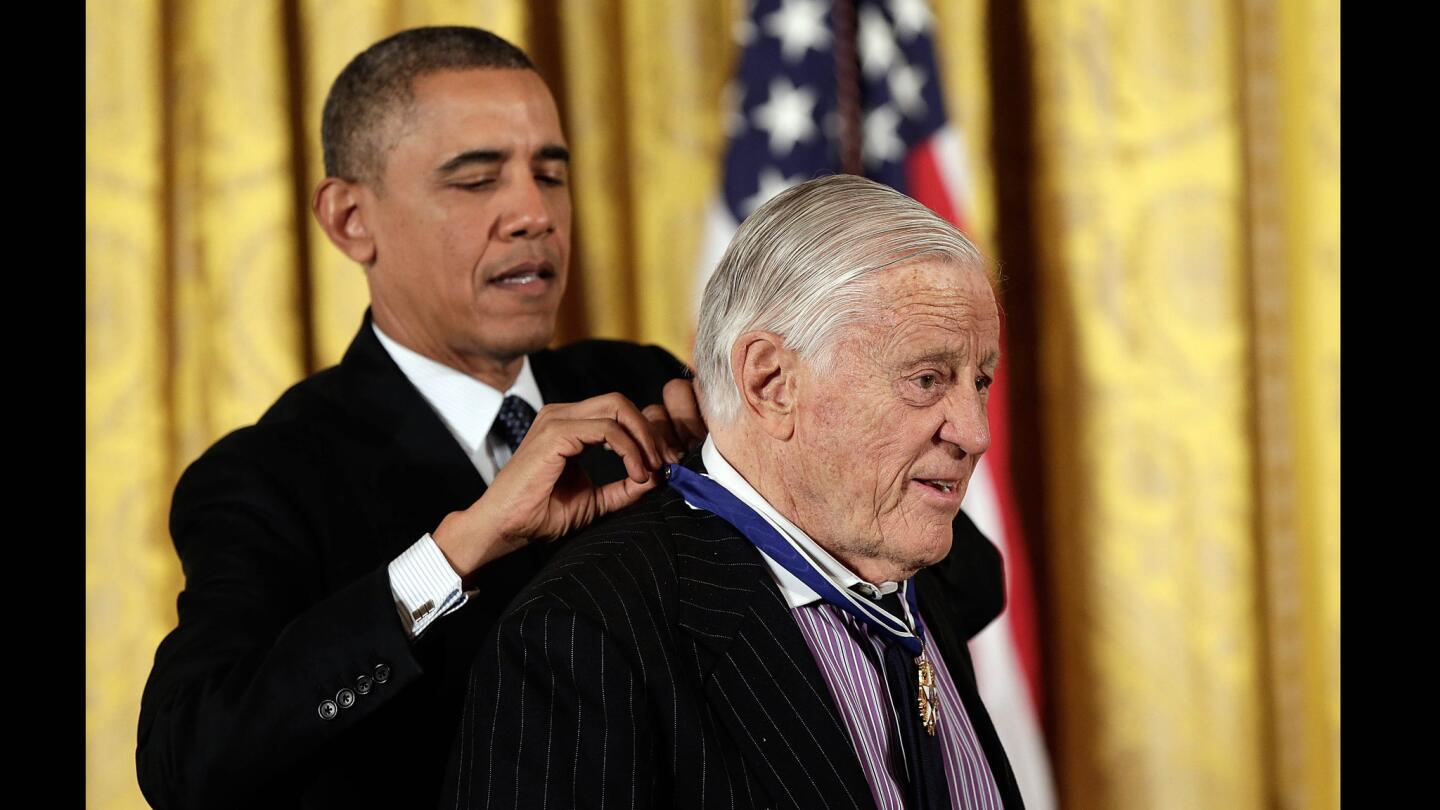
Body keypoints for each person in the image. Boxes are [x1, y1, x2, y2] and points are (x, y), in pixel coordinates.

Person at [136, 27, 705, 809]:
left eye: (550, 173)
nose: (533, 213)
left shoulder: (643, 387)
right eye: (476, 181)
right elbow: (189, 761)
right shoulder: (271, 475)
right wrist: (462, 547)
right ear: (349, 220)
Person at [443, 174, 1025, 809]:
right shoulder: (580, 637)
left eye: (981, 380)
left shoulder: (911, 568)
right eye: (926, 378)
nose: (975, 432)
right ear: (772, 383)